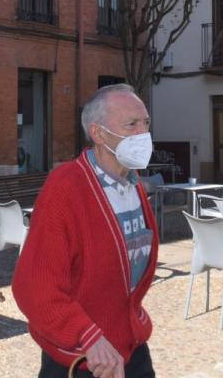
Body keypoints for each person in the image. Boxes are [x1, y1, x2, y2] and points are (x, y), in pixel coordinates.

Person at [13, 84, 158, 378]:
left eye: (146, 123)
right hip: (81, 359)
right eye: (131, 125)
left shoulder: (133, 182)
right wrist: (87, 334)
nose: (143, 134)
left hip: (131, 348)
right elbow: (33, 286)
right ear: (99, 134)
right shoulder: (65, 186)